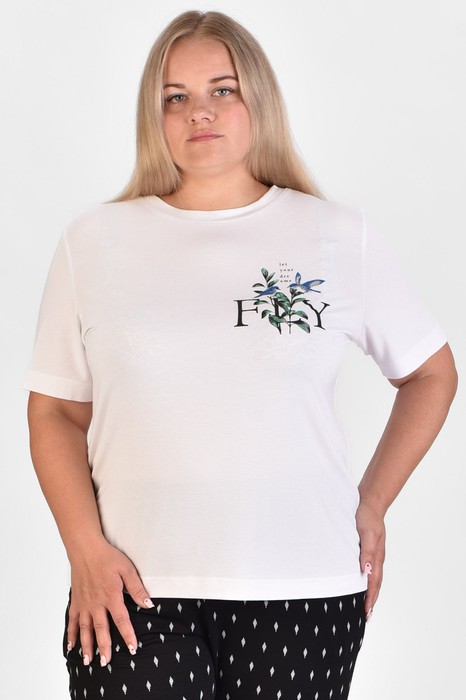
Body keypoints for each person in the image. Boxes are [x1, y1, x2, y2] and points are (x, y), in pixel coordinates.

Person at [23, 9, 457, 700]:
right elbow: (54, 412)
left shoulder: (335, 236)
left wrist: (372, 502)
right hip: (131, 589)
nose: (199, 111)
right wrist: (85, 550)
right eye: (175, 96)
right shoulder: (94, 242)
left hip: (305, 589)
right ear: (154, 115)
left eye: (222, 90)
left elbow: (431, 373)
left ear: (259, 98)